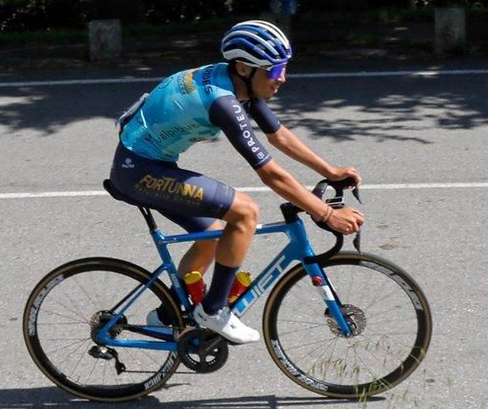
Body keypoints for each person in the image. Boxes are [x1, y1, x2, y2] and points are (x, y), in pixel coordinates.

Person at [110, 19, 364, 344]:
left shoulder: (237, 80)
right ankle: (214, 311)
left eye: (283, 68)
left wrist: (329, 171)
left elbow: (279, 135)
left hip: (147, 164)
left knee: (213, 237)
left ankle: (166, 316)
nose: (282, 78)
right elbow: (270, 173)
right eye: (273, 71)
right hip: (139, 172)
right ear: (245, 68)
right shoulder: (222, 101)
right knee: (245, 212)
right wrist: (326, 214)